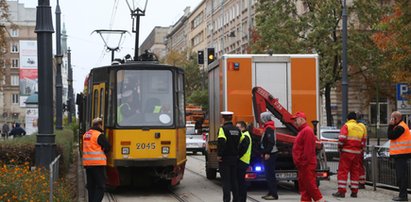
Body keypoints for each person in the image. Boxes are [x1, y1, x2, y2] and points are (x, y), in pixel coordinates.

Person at [292, 111, 324, 202]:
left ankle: (320, 200)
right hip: (304, 165)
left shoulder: (306, 131)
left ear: (302, 119)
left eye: (296, 120)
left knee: (310, 186)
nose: (294, 122)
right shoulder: (304, 131)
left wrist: (302, 163)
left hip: (306, 165)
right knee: (305, 189)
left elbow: (308, 151)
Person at [333, 112, 365, 198]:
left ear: (348, 119)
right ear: (355, 119)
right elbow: (363, 141)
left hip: (347, 152)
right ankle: (354, 192)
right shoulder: (360, 127)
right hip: (357, 153)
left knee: (343, 172)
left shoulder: (346, 126)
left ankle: (341, 191)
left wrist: (340, 147)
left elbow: (342, 138)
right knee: (355, 172)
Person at [83, 117, 111, 202]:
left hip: (88, 164)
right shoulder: (99, 135)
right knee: (101, 186)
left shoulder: (86, 135)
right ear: (99, 125)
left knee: (91, 187)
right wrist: (103, 151)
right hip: (97, 164)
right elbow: (108, 146)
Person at [217, 111, 241, 202]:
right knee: (234, 180)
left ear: (223, 119)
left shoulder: (223, 129)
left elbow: (221, 143)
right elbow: (240, 143)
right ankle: (236, 199)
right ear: (231, 118)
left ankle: (226, 200)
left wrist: (219, 155)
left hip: (225, 158)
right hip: (234, 158)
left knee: (226, 181)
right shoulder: (237, 129)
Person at [388, 111, 411, 201]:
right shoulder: (400, 126)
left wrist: (390, 125)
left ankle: (403, 196)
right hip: (401, 154)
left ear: (395, 118)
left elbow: (390, 136)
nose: (390, 120)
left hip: (401, 155)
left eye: (391, 118)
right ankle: (402, 195)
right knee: (401, 176)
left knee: (401, 176)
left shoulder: (400, 127)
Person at [259, 112, 279, 200]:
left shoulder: (269, 128)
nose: (261, 120)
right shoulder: (268, 127)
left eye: (262, 118)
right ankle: (271, 192)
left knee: (270, 174)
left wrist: (267, 152)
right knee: (268, 174)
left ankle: (274, 194)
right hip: (269, 153)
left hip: (271, 154)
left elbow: (271, 142)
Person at [236, 121, 252, 202]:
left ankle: (241, 199)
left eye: (238, 127)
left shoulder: (245, 136)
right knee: (240, 182)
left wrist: (237, 156)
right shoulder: (245, 135)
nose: (237, 129)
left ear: (243, 128)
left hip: (242, 161)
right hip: (244, 161)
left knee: (241, 183)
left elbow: (243, 149)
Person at [357, 116, 367, 189]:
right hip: (361, 149)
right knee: (360, 166)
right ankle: (361, 182)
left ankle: (360, 182)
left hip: (359, 149)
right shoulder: (363, 126)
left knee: (358, 166)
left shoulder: (359, 126)